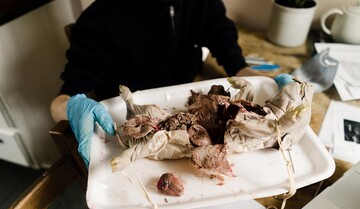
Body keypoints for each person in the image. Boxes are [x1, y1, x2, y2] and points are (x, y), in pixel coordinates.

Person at [50, 0, 267, 167]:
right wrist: (70, 107)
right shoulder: (100, 19)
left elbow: (222, 38)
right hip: (131, 134)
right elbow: (62, 100)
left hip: (184, 113)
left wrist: (252, 75)